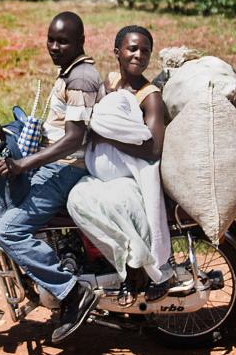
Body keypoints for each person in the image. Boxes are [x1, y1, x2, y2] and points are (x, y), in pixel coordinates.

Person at [0, 11, 105, 344]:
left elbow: (72, 139)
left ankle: (71, 293)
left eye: (63, 41)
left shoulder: (81, 79)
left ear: (80, 42)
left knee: (8, 229)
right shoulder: (68, 73)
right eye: (51, 40)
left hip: (68, 168)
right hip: (59, 164)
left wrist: (24, 165)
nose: (54, 46)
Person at [66, 25, 175, 301]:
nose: (139, 55)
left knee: (116, 206)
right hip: (101, 177)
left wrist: (110, 137)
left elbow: (153, 149)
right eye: (132, 48)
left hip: (128, 180)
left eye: (145, 51)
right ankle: (122, 259)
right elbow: (97, 119)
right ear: (117, 52)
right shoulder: (109, 83)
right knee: (76, 200)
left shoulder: (150, 97)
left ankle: (135, 265)